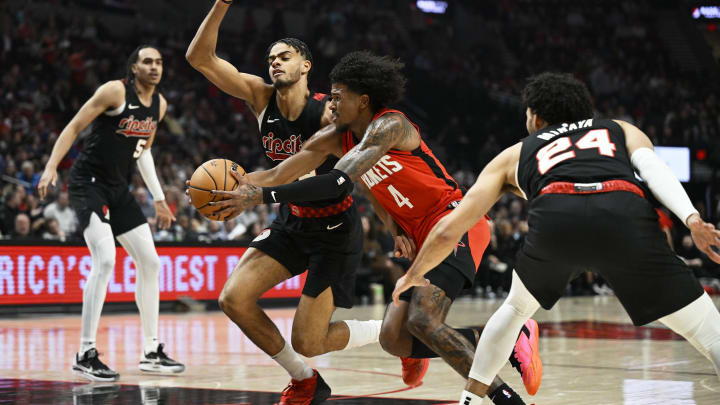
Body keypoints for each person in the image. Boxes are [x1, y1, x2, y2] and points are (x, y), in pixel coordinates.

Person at [211, 51, 542, 404]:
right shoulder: (337, 138)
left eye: (338, 97)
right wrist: (231, 189)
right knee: (393, 339)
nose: (331, 103)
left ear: (363, 100)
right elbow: (280, 173)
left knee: (423, 322)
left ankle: (504, 397)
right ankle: (507, 337)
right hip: (420, 236)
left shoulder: (390, 126)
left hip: (455, 221)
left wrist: (261, 197)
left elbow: (339, 182)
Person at [391, 72, 720, 404]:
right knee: (708, 332)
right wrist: (692, 218)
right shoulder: (619, 128)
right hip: (623, 215)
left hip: (557, 220)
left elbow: (451, 227)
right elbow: (653, 168)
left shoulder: (515, 154)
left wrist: (416, 272)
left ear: (535, 117)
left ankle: (472, 400)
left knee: (516, 308)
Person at [186, 2, 398, 403]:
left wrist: (393, 223)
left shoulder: (329, 115)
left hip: (334, 228)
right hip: (291, 221)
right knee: (233, 298)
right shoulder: (259, 97)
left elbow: (363, 174)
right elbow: (200, 58)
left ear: (306, 66)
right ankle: (305, 380)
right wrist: (222, 4)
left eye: (285, 56)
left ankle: (393, 328)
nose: (275, 63)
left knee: (310, 340)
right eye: (270, 58)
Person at [37, 45, 184, 381]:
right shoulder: (115, 91)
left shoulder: (159, 105)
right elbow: (74, 126)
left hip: (118, 188)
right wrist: (50, 167)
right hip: (88, 183)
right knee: (105, 259)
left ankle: (151, 351)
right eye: (147, 61)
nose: (154, 67)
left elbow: (143, 150)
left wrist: (159, 198)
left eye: (159, 62)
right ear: (133, 67)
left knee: (151, 262)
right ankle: (85, 352)